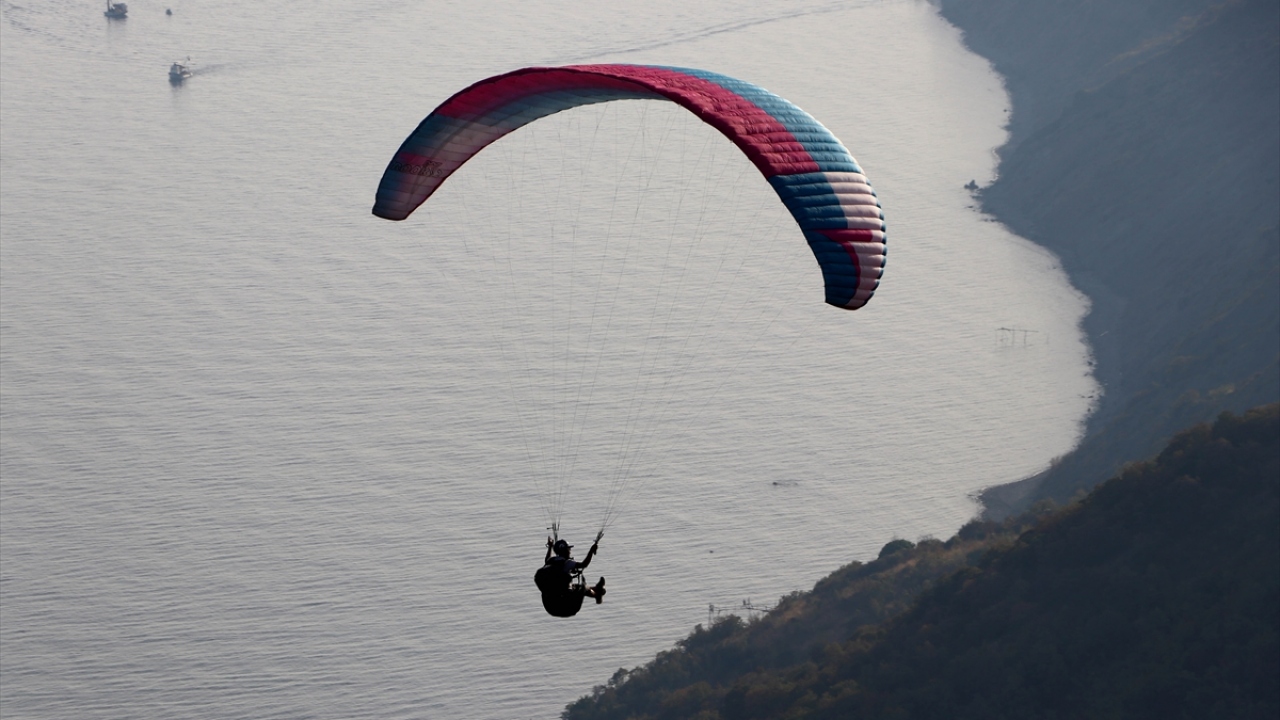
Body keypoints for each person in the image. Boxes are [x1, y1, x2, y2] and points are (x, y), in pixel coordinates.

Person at [535, 534, 605, 617]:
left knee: (573, 586)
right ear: (566, 551)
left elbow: (547, 558)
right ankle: (597, 595)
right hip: (567, 607)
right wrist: (591, 551)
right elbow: (584, 564)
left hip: (550, 606)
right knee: (582, 587)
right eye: (569, 549)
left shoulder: (550, 561)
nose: (570, 551)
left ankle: (596, 589)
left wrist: (550, 547)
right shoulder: (568, 563)